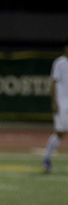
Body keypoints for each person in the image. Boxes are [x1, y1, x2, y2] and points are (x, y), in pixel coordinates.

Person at [43, 38, 68, 173]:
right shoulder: (59, 63)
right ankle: (47, 157)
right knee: (60, 132)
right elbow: (53, 82)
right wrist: (54, 101)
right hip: (62, 103)